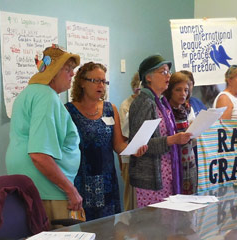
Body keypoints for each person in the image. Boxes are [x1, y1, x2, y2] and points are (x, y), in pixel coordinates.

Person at [5, 45, 83, 228]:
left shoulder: (28, 93)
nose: (72, 74)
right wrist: (70, 190)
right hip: (49, 189)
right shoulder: (47, 97)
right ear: (53, 72)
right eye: (67, 69)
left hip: (31, 184)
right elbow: (39, 155)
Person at [65, 62, 147, 220]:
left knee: (108, 229)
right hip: (81, 182)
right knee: (84, 228)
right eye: (95, 81)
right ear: (82, 82)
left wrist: (134, 148)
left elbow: (118, 145)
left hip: (107, 181)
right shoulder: (69, 111)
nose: (101, 85)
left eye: (104, 81)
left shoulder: (110, 109)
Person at [128, 54, 192, 208]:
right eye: (163, 72)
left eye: (168, 72)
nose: (168, 75)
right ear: (148, 77)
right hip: (151, 179)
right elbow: (139, 144)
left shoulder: (162, 102)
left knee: (169, 225)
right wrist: (173, 139)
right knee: (153, 229)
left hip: (167, 173)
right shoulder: (143, 102)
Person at [164, 72, 197, 194]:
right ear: (170, 91)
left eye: (186, 90)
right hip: (174, 162)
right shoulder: (165, 111)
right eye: (178, 90)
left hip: (189, 160)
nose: (183, 94)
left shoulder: (185, 110)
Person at [119, 72, 141, 211]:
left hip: (146, 156)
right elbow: (122, 136)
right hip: (130, 157)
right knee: (131, 200)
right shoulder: (126, 105)